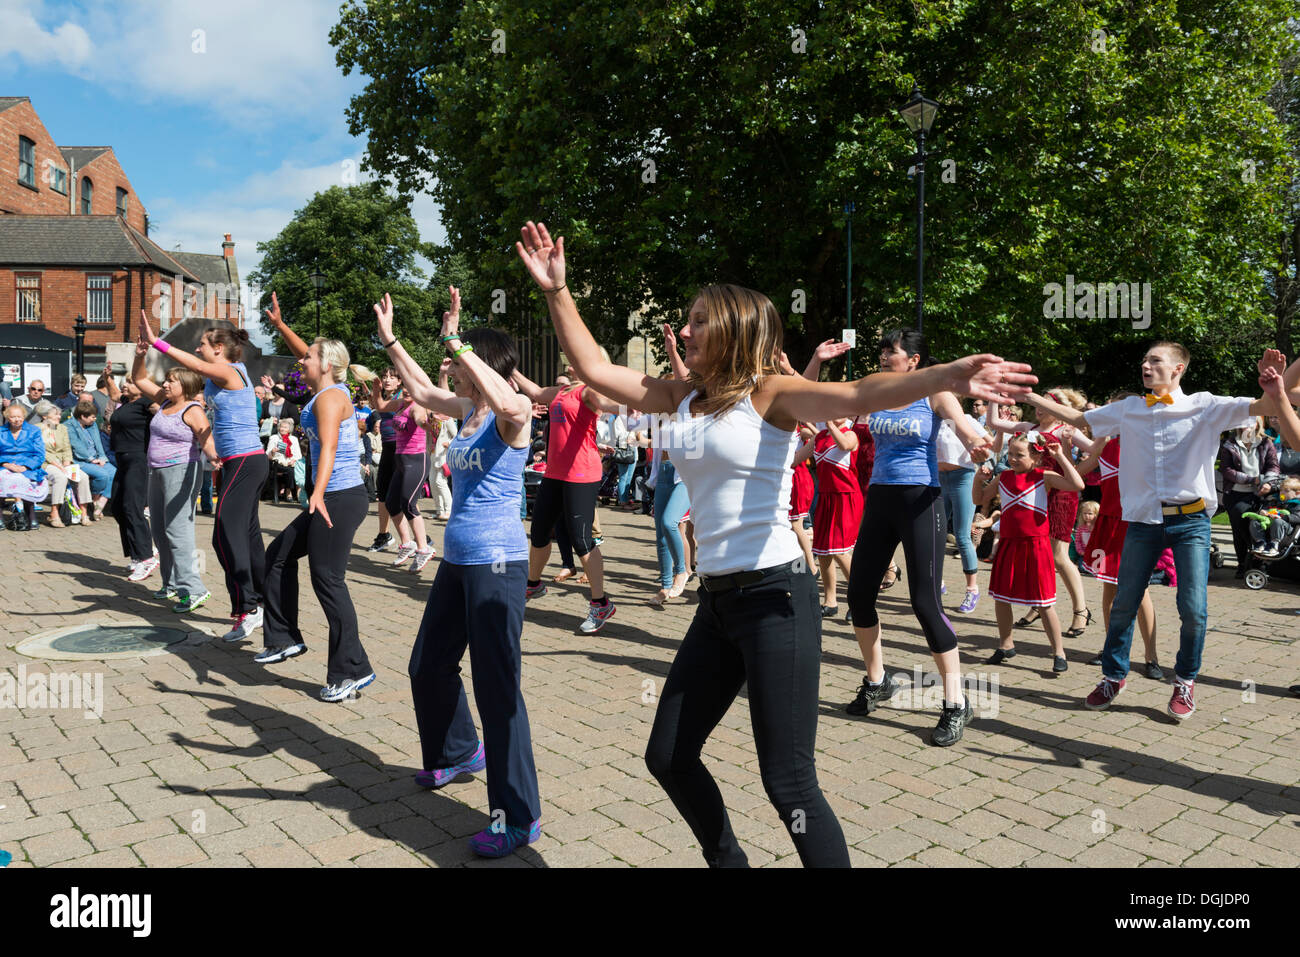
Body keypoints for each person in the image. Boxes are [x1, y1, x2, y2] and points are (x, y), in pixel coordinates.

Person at [515, 220, 1034, 866]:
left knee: (789, 783)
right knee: (669, 755)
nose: (685, 330)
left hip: (777, 599)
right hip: (718, 605)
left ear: (733, 328)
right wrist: (557, 291)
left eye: (699, 321)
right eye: (687, 321)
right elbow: (592, 366)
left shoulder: (772, 393)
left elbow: (859, 393)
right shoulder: (679, 397)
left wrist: (946, 376)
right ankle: (728, 859)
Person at [1028, 341, 1284, 720]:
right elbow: (1078, 419)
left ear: (1178, 368)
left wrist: (1270, 383)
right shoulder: (1130, 408)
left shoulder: (1206, 405)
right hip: (1143, 522)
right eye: (1144, 360)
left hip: (1191, 522)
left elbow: (1264, 407)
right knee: (1122, 604)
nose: (1145, 365)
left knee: (1194, 609)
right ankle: (1114, 676)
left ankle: (1184, 682)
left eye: (1155, 360)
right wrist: (1026, 394)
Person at [376, 286, 542, 858]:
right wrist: (392, 341)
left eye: (463, 355)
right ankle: (457, 752)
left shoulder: (506, 417)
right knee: (428, 664)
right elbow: (421, 389)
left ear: (484, 363)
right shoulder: (467, 411)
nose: (451, 362)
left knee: (500, 692)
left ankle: (517, 818)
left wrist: (454, 338)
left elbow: (517, 404)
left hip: (498, 565)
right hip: (458, 563)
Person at [842, 329, 992, 746]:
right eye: (884, 351)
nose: (884, 357)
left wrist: (978, 445)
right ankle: (878, 680)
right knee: (858, 596)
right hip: (880, 498)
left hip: (921, 500)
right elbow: (830, 403)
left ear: (914, 359)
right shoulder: (875, 391)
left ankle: (956, 702)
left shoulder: (935, 392)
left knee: (924, 602)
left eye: (891, 352)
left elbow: (964, 427)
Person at [255, 305, 374, 703]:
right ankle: (285, 639)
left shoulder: (328, 399)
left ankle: (350, 672)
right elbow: (308, 351)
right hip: (331, 496)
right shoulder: (326, 388)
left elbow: (329, 450)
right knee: (278, 557)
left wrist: (316, 494)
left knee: (328, 580)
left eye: (308, 356)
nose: (300, 359)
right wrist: (281, 324)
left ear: (326, 364)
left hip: (337, 498)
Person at [139, 309, 267, 643]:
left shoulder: (231, 371)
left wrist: (157, 343)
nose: (197, 350)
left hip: (246, 460)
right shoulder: (216, 379)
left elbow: (195, 367)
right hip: (239, 462)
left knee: (224, 536)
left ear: (218, 350)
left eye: (202, 345)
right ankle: (265, 603)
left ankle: (248, 608)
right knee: (249, 537)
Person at [512, 362, 624, 633]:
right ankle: (533, 584)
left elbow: (609, 402)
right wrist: (510, 368)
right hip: (555, 473)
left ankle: (600, 603)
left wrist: (630, 407)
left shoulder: (588, 392)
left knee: (582, 540)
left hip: (581, 474)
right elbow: (537, 392)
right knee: (538, 532)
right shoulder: (562, 391)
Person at [987, 387, 1097, 638]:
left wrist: (1074, 468)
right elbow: (994, 422)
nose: (1039, 408)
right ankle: (1040, 605)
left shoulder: (1066, 430)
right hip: (1032, 496)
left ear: (1059, 408)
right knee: (1041, 555)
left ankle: (1081, 610)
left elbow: (1097, 450)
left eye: (1046, 404)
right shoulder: (1029, 428)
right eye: (1037, 403)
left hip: (1060, 496)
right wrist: (994, 394)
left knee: (1058, 555)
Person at [974, 432, 1084, 671]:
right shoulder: (1003, 477)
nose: (1012, 459)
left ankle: (1059, 652)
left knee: (1044, 602)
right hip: (1009, 544)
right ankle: (1005, 645)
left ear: (1036, 456)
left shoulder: (1043, 476)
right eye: (1010, 453)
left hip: (1036, 545)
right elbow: (980, 498)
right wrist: (977, 478)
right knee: (1001, 598)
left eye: (1019, 455)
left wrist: (1061, 457)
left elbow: (1077, 485)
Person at [130, 340, 215, 611]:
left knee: (178, 531)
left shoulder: (193, 409)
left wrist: (213, 456)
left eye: (172, 381)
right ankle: (171, 584)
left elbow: (206, 437)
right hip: (156, 471)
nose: (166, 384)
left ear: (186, 387)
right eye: (166, 380)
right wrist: (140, 356)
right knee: (159, 530)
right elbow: (139, 378)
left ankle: (194, 589)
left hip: (182, 470)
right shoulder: (164, 402)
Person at [370, 386, 435, 572]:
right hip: (400, 460)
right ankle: (407, 544)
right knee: (391, 503)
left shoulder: (417, 407)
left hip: (416, 460)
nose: (407, 390)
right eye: (404, 387)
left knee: (409, 503)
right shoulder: (399, 404)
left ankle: (423, 548)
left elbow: (421, 420)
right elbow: (381, 406)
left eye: (410, 387)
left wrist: (427, 423)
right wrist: (375, 387)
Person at [936, 399, 988, 613]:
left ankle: (972, 590)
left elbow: (989, 442)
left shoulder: (965, 420)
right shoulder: (930, 420)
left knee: (962, 535)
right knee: (934, 533)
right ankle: (937, 583)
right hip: (937, 477)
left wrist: (983, 459)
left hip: (962, 477)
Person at [811, 418, 861, 616]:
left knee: (839, 550)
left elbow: (845, 445)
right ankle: (830, 601)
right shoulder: (819, 437)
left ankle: (859, 602)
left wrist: (831, 426)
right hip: (825, 496)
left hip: (845, 497)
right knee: (823, 552)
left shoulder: (850, 433)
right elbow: (796, 458)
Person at [1218, 417, 1279, 576]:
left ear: (1258, 423)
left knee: (1259, 527)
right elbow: (1226, 470)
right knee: (1240, 527)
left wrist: (1268, 483)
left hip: (1260, 493)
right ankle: (1244, 563)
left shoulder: (1266, 442)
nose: (1246, 426)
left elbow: (1273, 466)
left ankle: (1256, 563)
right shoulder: (1230, 443)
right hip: (1236, 493)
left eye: (1250, 422)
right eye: (1243, 422)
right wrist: (1252, 479)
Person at [109, 376, 156, 581]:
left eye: (130, 382)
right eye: (125, 382)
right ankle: (138, 554)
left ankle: (146, 557)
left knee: (132, 507)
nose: (125, 385)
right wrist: (107, 378)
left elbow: (165, 410)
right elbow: (113, 394)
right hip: (123, 460)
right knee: (118, 507)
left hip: (138, 459)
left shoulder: (147, 403)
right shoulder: (128, 401)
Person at [363, 368, 404, 551]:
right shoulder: (384, 399)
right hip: (387, 447)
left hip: (403, 449)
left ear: (400, 381)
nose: (387, 379)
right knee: (382, 494)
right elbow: (375, 404)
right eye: (385, 376)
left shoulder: (404, 396)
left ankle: (418, 540)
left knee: (403, 496)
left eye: (392, 377)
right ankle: (384, 535)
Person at [39, 408, 92, 527]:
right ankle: (54, 513)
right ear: (44, 417)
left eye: (59, 415)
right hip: (46, 463)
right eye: (55, 415)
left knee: (83, 477)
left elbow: (67, 448)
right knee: (60, 478)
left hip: (63, 462)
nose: (59, 417)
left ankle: (84, 513)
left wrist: (67, 462)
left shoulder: (62, 428)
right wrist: (58, 465)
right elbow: (41, 450)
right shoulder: (37, 429)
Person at [0, 403, 49, 529]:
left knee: (24, 479)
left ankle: (31, 516)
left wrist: (25, 467)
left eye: (19, 417)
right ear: (7, 417)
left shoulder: (34, 431)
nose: (17, 419)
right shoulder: (1, 431)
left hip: (28, 466)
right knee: (2, 478)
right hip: (5, 465)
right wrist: (6, 464)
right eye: (13, 417)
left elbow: (40, 454)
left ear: (24, 417)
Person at [67, 400, 114, 517]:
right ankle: (93, 499)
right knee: (103, 475)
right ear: (83, 416)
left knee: (114, 472)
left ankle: (99, 501)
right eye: (93, 417)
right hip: (80, 460)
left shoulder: (91, 425)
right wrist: (91, 459)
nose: (95, 419)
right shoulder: (69, 426)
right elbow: (76, 446)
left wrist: (102, 458)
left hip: (96, 459)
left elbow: (98, 443)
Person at [1246, 475, 1300, 557]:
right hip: (1269, 524)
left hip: (1288, 529)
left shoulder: (1297, 504)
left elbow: (1297, 517)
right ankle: (1260, 542)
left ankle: (1274, 545)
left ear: (1297, 493)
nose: (1282, 493)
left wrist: (1283, 517)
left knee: (1277, 521)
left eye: (1286, 491)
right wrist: (1263, 512)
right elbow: (1267, 509)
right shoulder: (1274, 500)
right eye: (1281, 490)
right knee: (1255, 522)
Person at [265, 419, 301, 504]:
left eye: (285, 427)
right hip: (277, 463)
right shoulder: (274, 438)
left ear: (289, 429)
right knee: (289, 471)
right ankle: (288, 493)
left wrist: (293, 460)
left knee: (292, 469)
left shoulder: (294, 439)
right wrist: (273, 451)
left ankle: (289, 491)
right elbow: (267, 455)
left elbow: (298, 455)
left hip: (290, 463)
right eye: (281, 427)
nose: (283, 429)